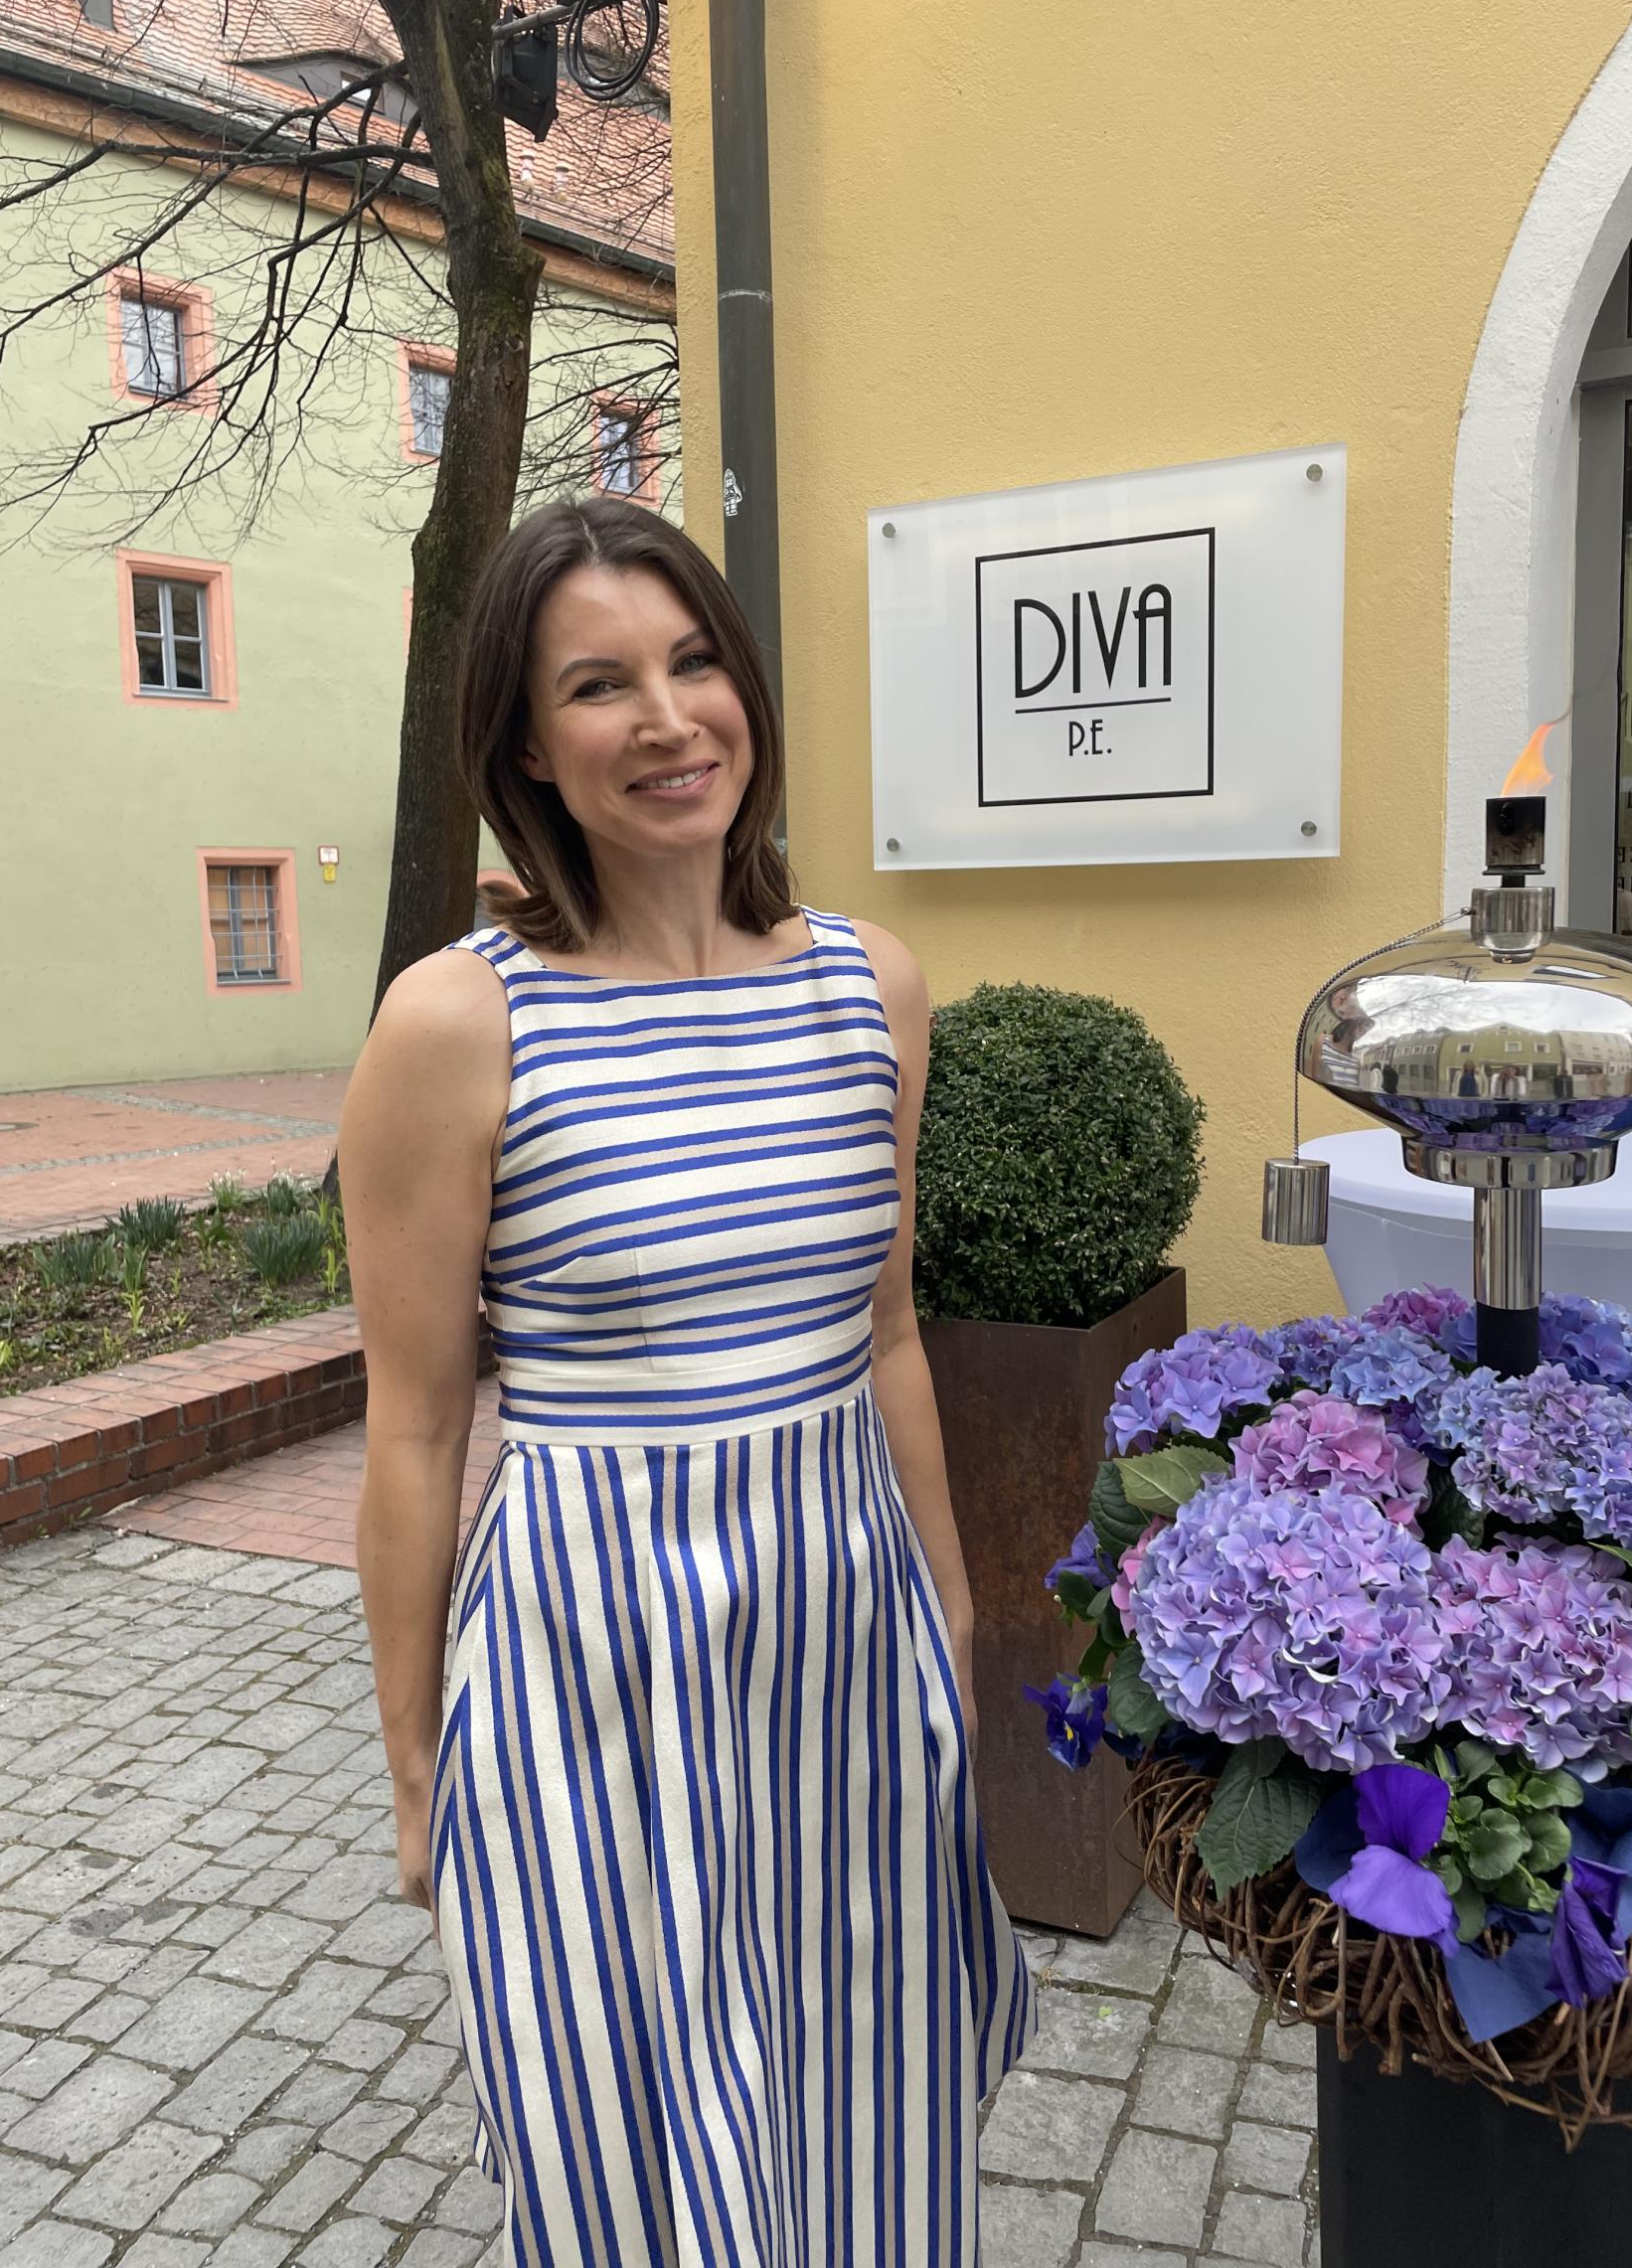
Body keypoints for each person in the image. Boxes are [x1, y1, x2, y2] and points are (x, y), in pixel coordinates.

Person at [339, 496, 1037, 2267]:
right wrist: (417, 1769)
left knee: (864, 2092)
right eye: (599, 685)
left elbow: (888, 1333)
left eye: (694, 662)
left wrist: (952, 1616)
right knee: (619, 2149)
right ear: (525, 745)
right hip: (589, 1655)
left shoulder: (873, 986)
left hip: (845, 1640)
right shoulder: (458, 1023)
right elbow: (415, 1430)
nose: (667, 720)